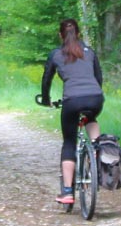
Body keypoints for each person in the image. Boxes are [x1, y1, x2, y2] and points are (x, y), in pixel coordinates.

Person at [36, 18, 103, 206]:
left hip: (72, 101)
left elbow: (46, 80)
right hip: (95, 97)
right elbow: (98, 78)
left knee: (69, 142)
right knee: (91, 117)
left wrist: (46, 99)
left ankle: (67, 191)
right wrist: (92, 95)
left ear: (60, 35)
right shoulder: (89, 52)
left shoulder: (56, 54)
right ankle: (97, 149)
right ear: (79, 34)